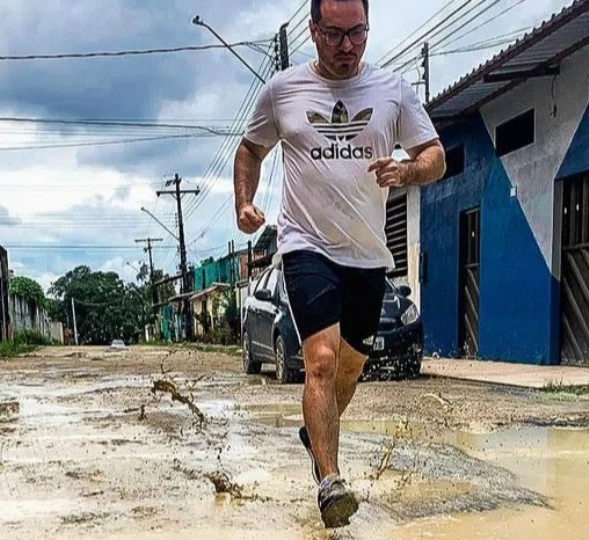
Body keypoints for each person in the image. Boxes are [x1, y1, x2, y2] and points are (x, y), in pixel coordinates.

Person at [233, 0, 445, 528]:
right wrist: (244, 202)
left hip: (368, 254)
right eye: (334, 34)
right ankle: (329, 482)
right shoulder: (283, 91)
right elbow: (250, 150)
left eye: (357, 33)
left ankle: (316, 429)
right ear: (313, 30)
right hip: (305, 245)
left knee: (351, 367)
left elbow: (434, 155)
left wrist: (407, 171)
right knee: (321, 360)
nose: (347, 46)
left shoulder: (392, 90)